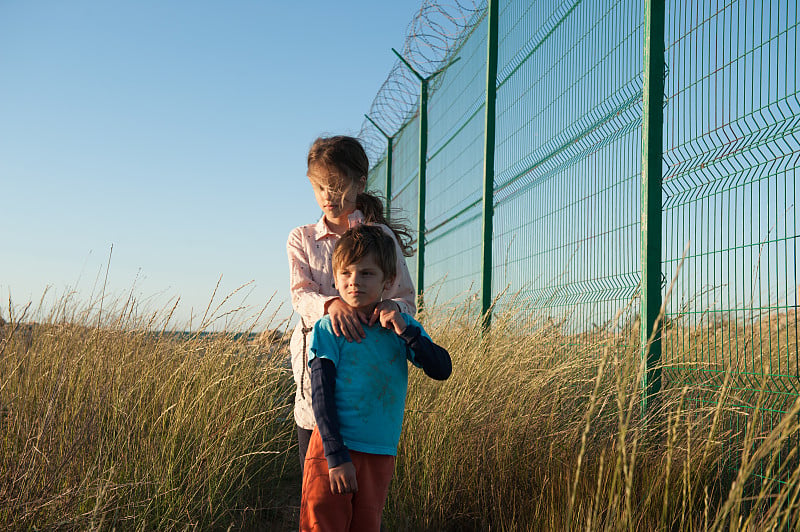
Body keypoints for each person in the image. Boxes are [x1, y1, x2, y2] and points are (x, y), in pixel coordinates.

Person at [300, 225, 451, 531]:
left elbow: (441, 369)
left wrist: (405, 331)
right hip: (333, 450)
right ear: (336, 277)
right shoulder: (329, 329)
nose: (354, 282)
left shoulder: (401, 326)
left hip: (380, 452)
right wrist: (336, 455)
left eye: (367, 273)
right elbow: (321, 395)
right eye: (346, 273)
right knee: (322, 525)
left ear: (388, 280)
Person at [287, 135, 417, 472]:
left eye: (337, 187)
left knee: (364, 486)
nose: (328, 197)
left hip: (367, 373)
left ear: (359, 183)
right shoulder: (302, 238)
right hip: (318, 366)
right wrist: (332, 305)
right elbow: (301, 294)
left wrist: (393, 310)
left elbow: (404, 296)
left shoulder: (380, 237)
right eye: (319, 188)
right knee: (316, 476)